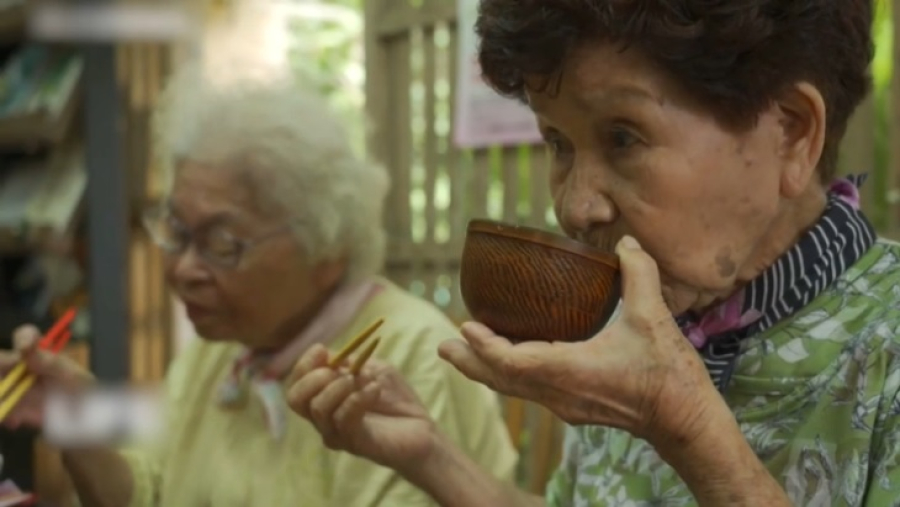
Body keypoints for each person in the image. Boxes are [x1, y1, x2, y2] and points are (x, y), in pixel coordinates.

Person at [287, 1, 900, 505]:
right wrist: (428, 454)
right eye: (558, 142)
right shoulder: (641, 326)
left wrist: (683, 425)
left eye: (623, 137)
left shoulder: (885, 350)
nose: (576, 208)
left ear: (791, 132)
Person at [0, 68, 517, 506]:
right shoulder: (227, 347)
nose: (182, 269)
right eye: (176, 231)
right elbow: (152, 491)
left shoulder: (401, 357)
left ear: (327, 250)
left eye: (222, 243)